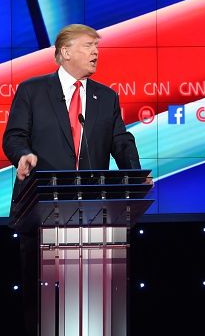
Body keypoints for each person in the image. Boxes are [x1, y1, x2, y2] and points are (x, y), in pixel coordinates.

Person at [2, 24, 142, 336]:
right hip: (40, 209)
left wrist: (134, 174)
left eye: (97, 46)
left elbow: (120, 140)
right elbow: (14, 136)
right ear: (65, 52)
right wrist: (23, 155)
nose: (96, 52)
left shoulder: (105, 97)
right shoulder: (32, 90)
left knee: (92, 302)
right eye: (89, 45)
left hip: (93, 215)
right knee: (41, 305)